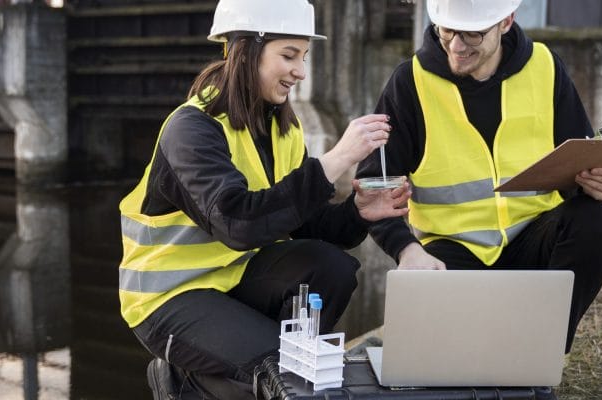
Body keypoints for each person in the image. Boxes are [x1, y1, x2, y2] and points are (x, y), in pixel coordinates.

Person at [117, 0, 410, 398]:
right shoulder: (191, 129)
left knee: (332, 267)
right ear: (245, 51)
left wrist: (357, 212)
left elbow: (305, 223)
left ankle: (253, 369)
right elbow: (238, 225)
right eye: (288, 55)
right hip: (168, 298)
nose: (300, 71)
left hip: (235, 277)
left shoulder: (282, 129)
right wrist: (338, 159)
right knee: (282, 368)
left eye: (304, 57)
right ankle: (184, 379)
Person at [357, 0, 602, 354]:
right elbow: (375, 186)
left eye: (472, 34)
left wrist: (596, 180)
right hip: (452, 252)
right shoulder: (410, 82)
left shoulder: (545, 67)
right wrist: (407, 249)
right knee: (437, 359)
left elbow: (578, 159)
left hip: (534, 239)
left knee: (594, 219)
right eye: (447, 30)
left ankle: (541, 351)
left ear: (506, 21)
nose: (456, 45)